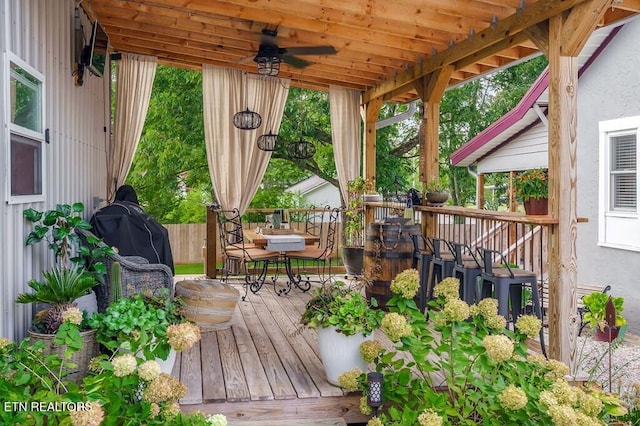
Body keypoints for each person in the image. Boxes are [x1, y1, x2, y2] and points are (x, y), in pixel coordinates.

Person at [90, 185, 175, 273]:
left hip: (111, 263)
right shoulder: (136, 211)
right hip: (135, 263)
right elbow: (158, 232)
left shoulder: (102, 214)